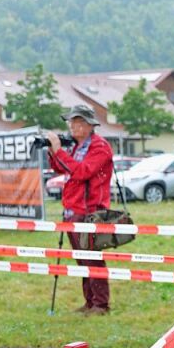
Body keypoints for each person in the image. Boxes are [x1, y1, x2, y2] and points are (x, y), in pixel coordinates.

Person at [47, 104, 115, 315]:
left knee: (92, 258)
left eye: (77, 123)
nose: (72, 127)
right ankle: (89, 302)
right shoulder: (78, 147)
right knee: (82, 258)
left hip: (90, 210)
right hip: (73, 209)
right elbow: (62, 168)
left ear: (88, 125)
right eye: (71, 123)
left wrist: (59, 150)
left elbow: (82, 172)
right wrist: (53, 151)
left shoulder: (99, 147)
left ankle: (101, 305)